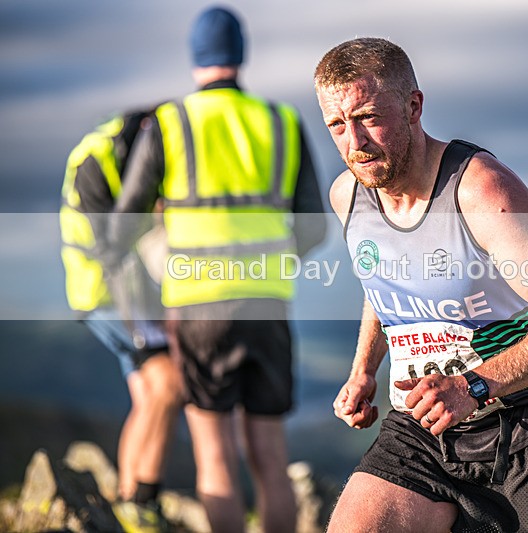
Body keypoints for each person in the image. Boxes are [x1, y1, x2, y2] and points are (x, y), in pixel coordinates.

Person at [315, 37, 528, 532]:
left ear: (414, 106)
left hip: (522, 422)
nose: (355, 143)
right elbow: (383, 283)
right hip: (423, 426)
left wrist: (473, 386)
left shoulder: (479, 189)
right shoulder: (349, 195)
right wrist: (363, 371)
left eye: (368, 116)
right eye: (336, 125)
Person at [108, 6, 327, 532]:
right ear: (241, 55)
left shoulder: (170, 122)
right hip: (268, 304)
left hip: (199, 307)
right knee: (271, 460)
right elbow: (315, 227)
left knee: (214, 457)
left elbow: (120, 228)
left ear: (195, 59)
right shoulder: (282, 122)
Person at [60, 110, 185, 531]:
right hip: (106, 295)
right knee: (169, 385)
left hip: (112, 295)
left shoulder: (124, 146)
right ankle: (142, 503)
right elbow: (112, 250)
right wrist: (153, 320)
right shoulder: (97, 157)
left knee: (149, 397)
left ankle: (129, 499)